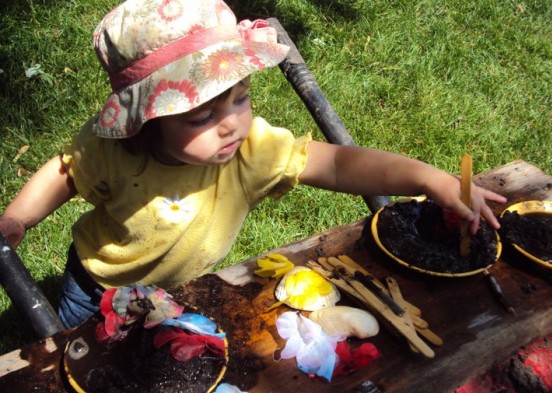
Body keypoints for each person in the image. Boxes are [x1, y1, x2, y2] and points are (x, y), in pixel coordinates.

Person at [0, 0, 506, 328]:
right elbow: (66, 172)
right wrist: (19, 218)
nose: (230, 125)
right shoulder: (114, 149)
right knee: (76, 356)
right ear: (147, 120)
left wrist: (427, 177)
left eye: (240, 98)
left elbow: (338, 165)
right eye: (202, 114)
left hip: (176, 288)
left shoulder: (249, 152)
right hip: (95, 284)